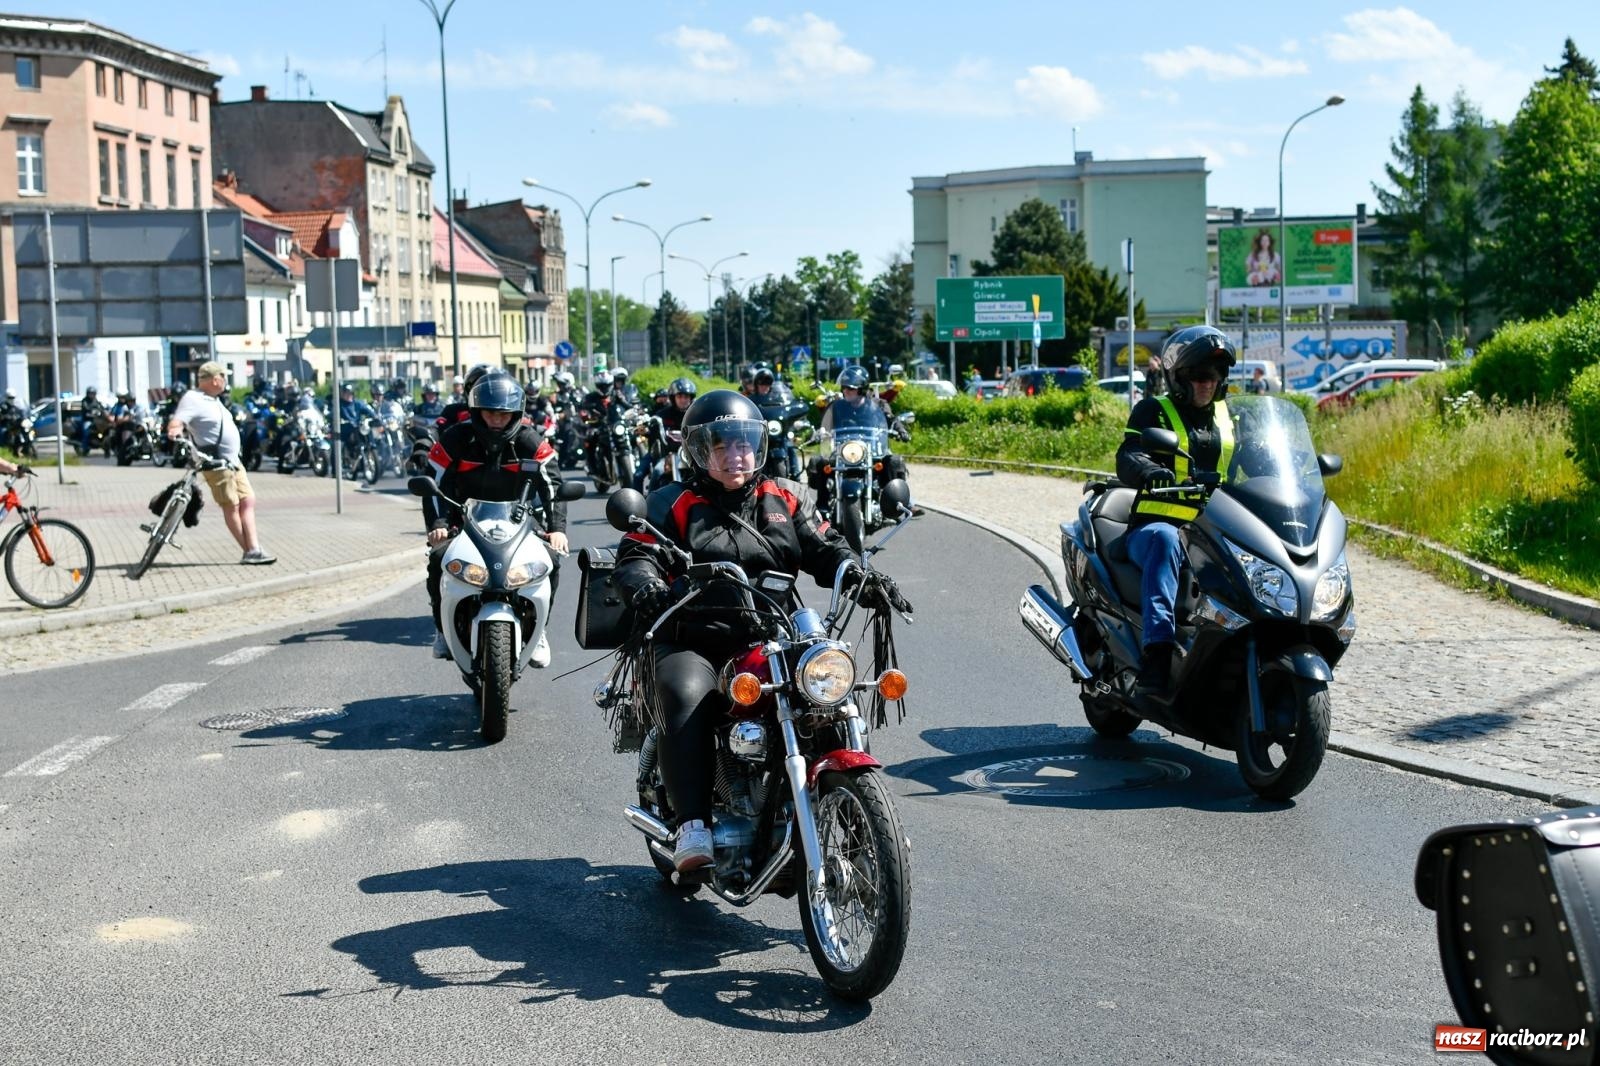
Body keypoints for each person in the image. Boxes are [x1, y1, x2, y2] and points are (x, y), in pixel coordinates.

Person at [614, 390, 909, 871]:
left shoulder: (785, 496)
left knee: (829, 691)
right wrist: (646, 586)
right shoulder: (670, 502)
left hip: (774, 633)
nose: (737, 455)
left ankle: (864, 824)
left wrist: (859, 573)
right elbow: (637, 555)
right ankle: (692, 823)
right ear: (698, 450)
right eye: (723, 445)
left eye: (746, 443)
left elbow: (827, 546)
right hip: (694, 636)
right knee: (690, 696)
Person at [1115, 325, 1236, 703]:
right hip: (1155, 527)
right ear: (1179, 378)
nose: (1207, 385)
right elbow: (1129, 454)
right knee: (1166, 542)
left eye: (1214, 377)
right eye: (1199, 376)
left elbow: (1257, 459)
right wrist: (1148, 469)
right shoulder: (1154, 410)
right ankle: (1157, 657)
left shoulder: (1229, 418)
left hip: (1212, 530)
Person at [423, 371, 568, 664]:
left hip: (520, 516)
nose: (497, 421)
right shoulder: (456, 438)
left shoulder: (530, 440)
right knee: (438, 559)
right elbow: (433, 481)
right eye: (490, 414)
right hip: (462, 517)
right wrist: (438, 525)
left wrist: (557, 529)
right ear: (477, 411)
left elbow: (552, 483)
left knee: (549, 561)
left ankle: (539, 632)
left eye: (504, 414)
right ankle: (442, 630)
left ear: (516, 414)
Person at [166, 361, 276, 565]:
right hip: (215, 462)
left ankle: (253, 548)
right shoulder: (193, 398)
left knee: (247, 500)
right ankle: (251, 550)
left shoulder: (213, 400)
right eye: (224, 377)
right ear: (215, 379)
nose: (226, 381)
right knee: (231, 505)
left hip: (233, 462)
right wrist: (175, 429)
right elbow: (178, 420)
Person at [809, 366, 911, 504]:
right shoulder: (836, 406)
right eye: (844, 388)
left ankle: (899, 503)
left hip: (873, 449)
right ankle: (822, 505)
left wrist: (901, 430)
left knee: (893, 461)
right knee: (821, 462)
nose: (846, 391)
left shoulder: (878, 404)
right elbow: (825, 424)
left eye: (850, 388)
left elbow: (891, 419)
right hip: (842, 450)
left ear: (861, 388)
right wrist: (818, 433)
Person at [335, 382, 377, 457]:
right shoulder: (339, 405)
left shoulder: (357, 403)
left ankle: (371, 447)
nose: (349, 395)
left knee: (367, 429)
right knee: (336, 447)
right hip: (346, 430)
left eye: (350, 393)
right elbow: (332, 415)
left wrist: (374, 416)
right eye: (346, 393)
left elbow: (367, 410)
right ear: (342, 394)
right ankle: (337, 464)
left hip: (358, 427)